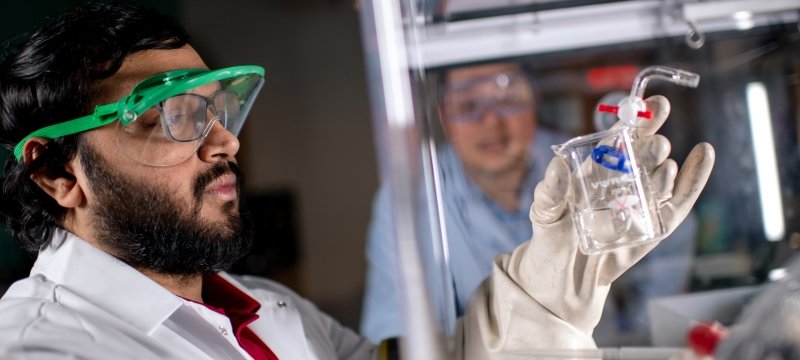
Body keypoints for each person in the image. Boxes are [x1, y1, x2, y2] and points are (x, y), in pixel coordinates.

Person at [0, 1, 714, 359]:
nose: (225, 141)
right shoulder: (44, 348)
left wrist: (555, 276)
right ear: (58, 172)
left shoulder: (267, 312)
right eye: (175, 116)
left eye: (219, 110)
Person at [361, 61, 700, 344]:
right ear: (444, 117)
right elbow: (393, 332)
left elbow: (666, 231)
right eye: (466, 106)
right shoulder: (408, 199)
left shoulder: (589, 163)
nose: (491, 120)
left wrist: (634, 334)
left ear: (534, 100)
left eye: (508, 98)